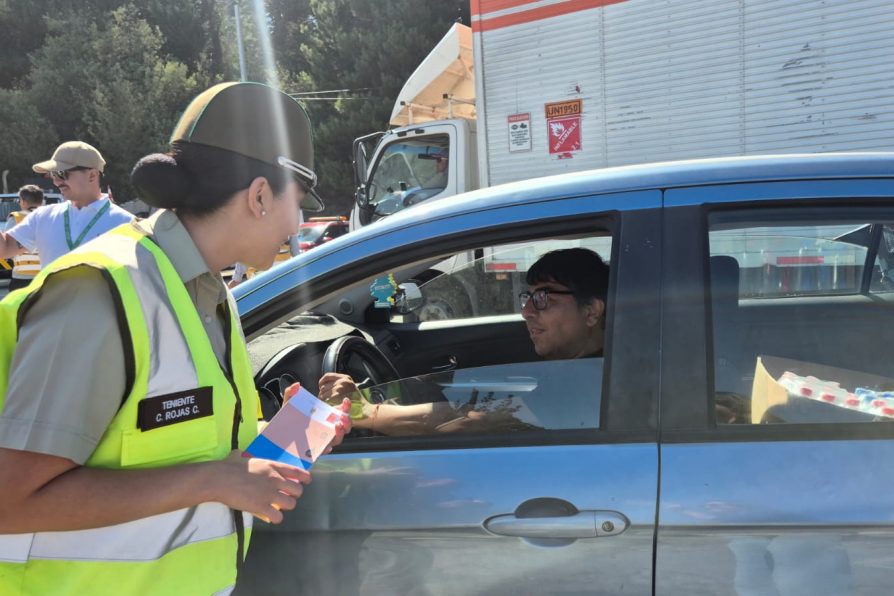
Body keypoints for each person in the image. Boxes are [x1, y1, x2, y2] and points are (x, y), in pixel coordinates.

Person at [0, 82, 346, 595]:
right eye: (298, 203)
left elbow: (185, 442)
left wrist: (298, 430)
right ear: (258, 196)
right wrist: (212, 481)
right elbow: (10, 500)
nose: (297, 224)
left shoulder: (207, 288)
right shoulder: (99, 292)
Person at [321, 247, 609, 435]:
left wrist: (363, 411)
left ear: (591, 312)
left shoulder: (585, 382)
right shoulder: (581, 369)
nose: (526, 311)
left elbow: (474, 421)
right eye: (528, 297)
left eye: (543, 298)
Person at [0, 141, 134, 270]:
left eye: (61, 174)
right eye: (53, 174)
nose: (56, 182)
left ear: (92, 175)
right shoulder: (42, 216)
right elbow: (4, 249)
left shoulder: (127, 224)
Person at [3, 185, 44, 291]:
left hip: (21, 277)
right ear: (41, 201)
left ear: (23, 201)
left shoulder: (16, 218)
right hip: (46, 276)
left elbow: (5, 247)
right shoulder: (51, 217)